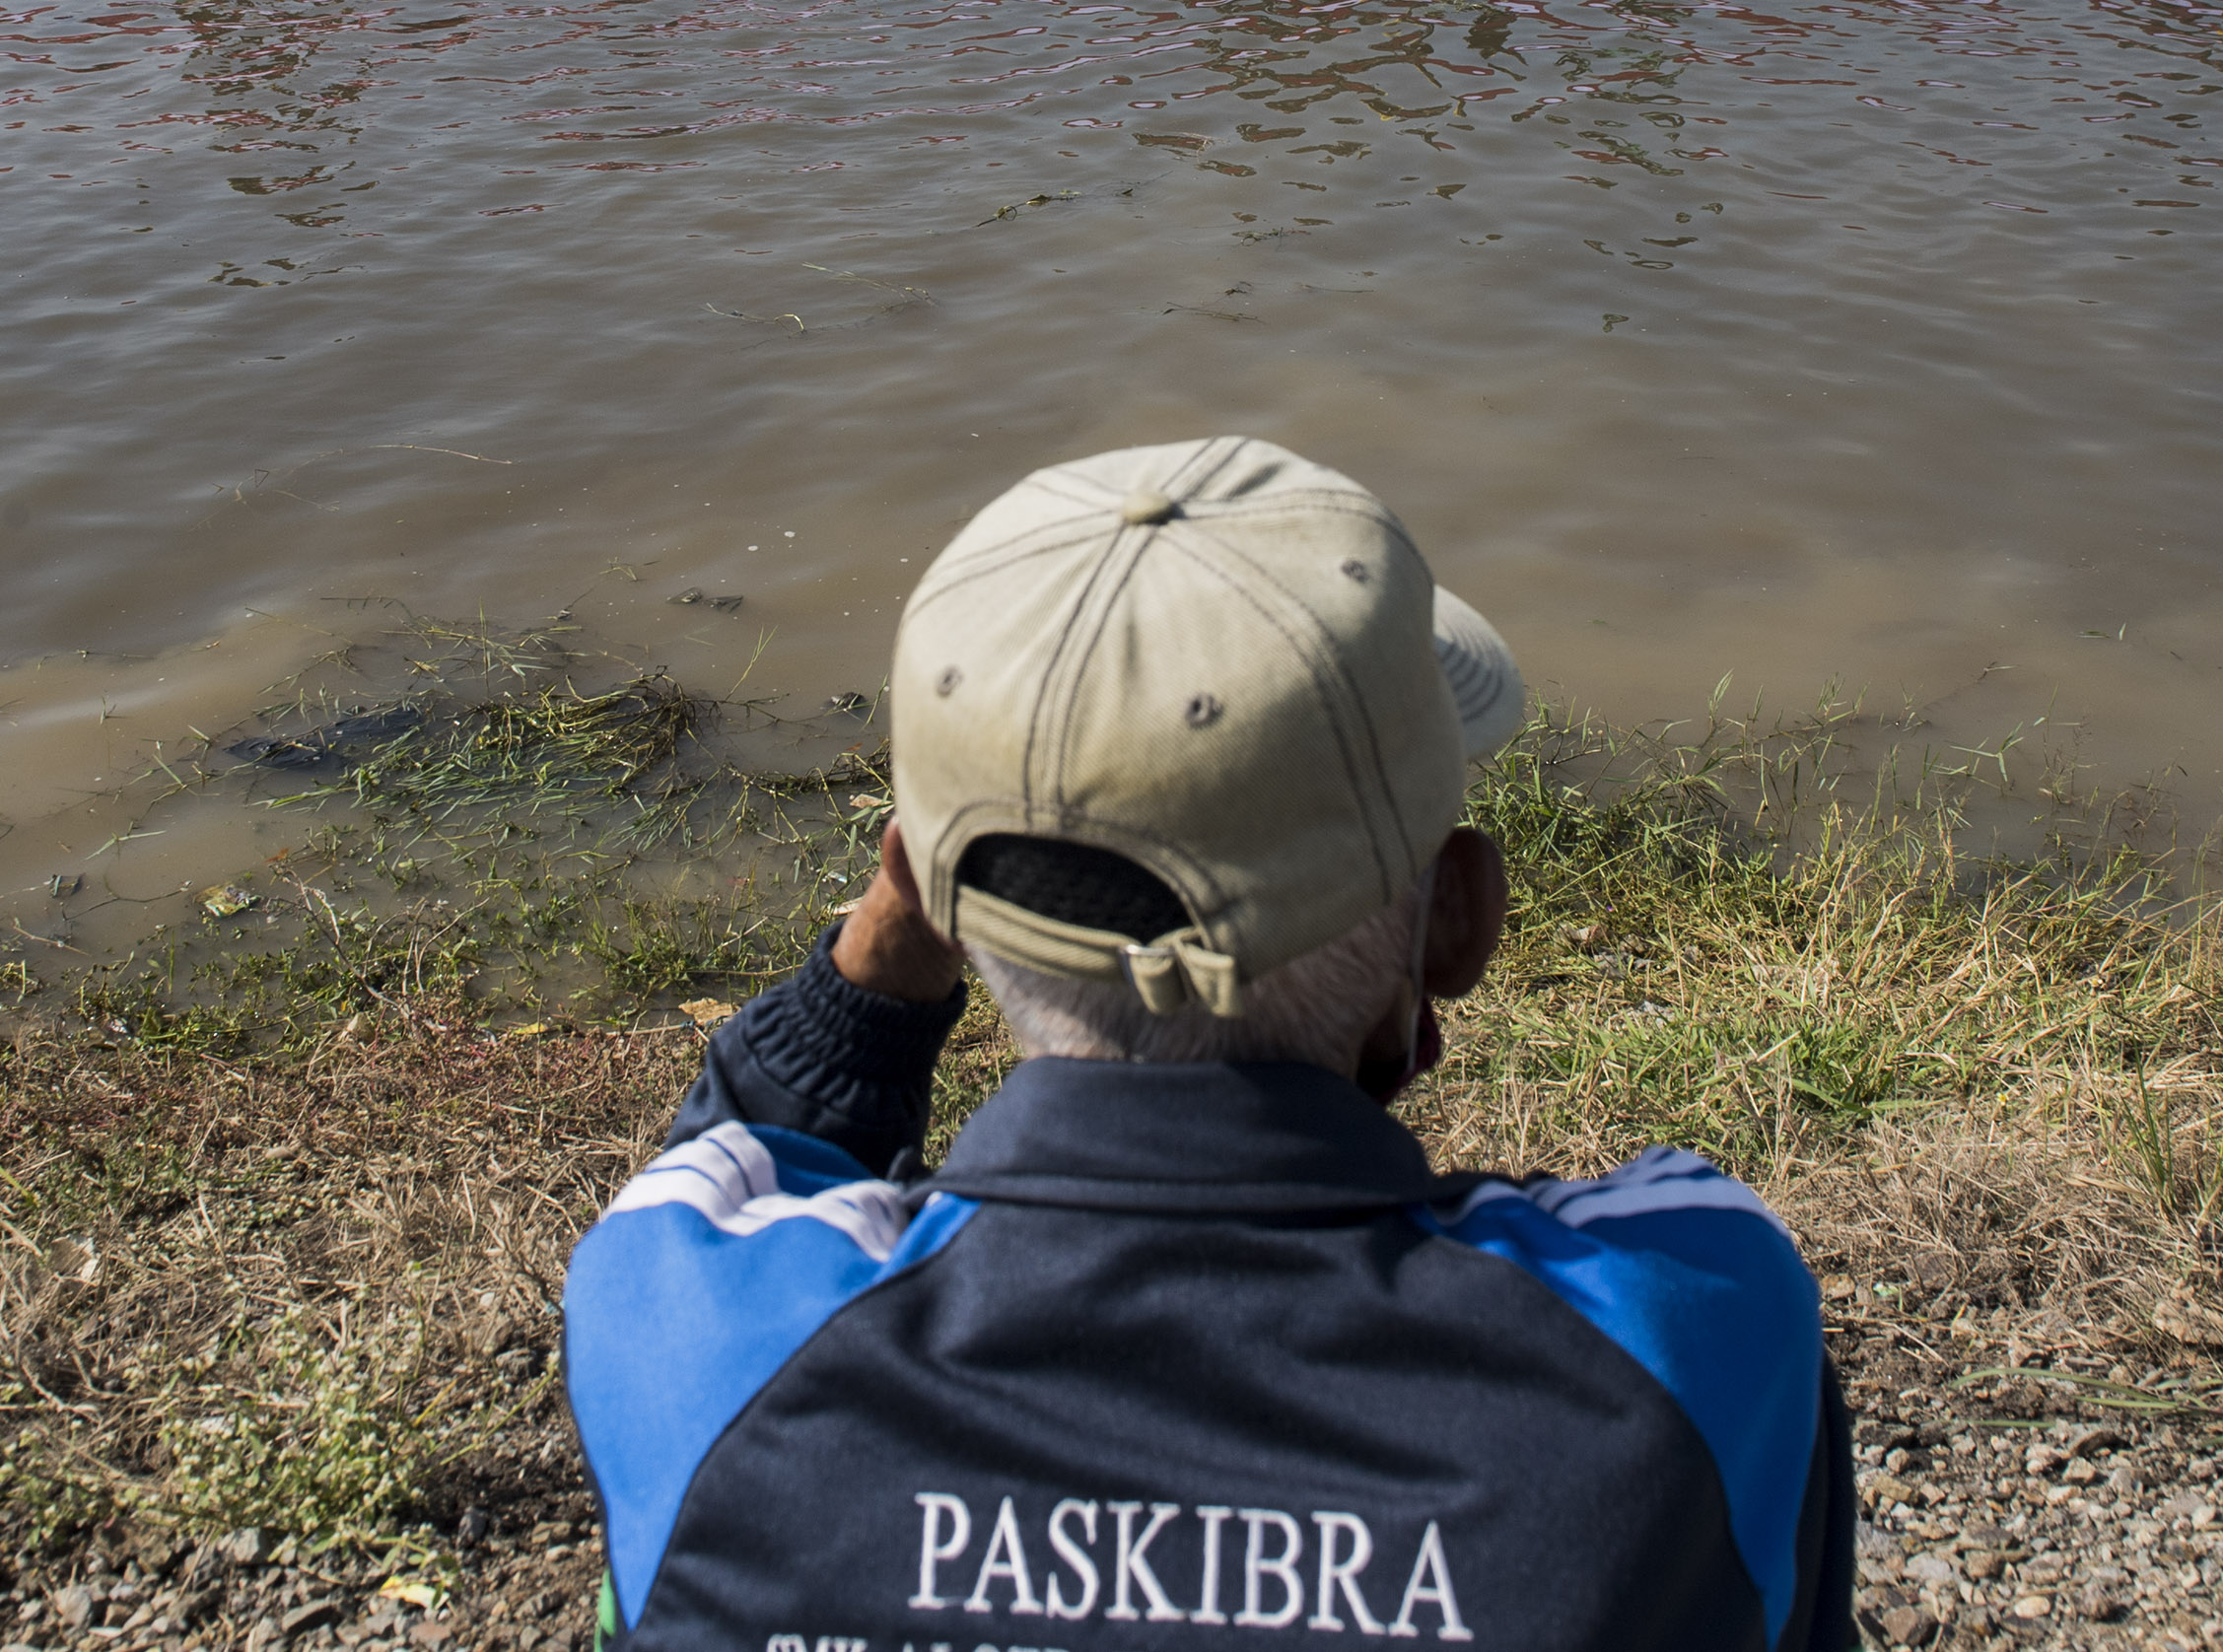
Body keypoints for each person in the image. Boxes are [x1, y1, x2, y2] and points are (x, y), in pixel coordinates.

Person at [561, 436, 1855, 1652]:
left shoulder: (691, 1342)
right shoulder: (1694, 1336)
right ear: (1459, 920)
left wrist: (897, 933)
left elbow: (748, 1159)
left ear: (923, 888)